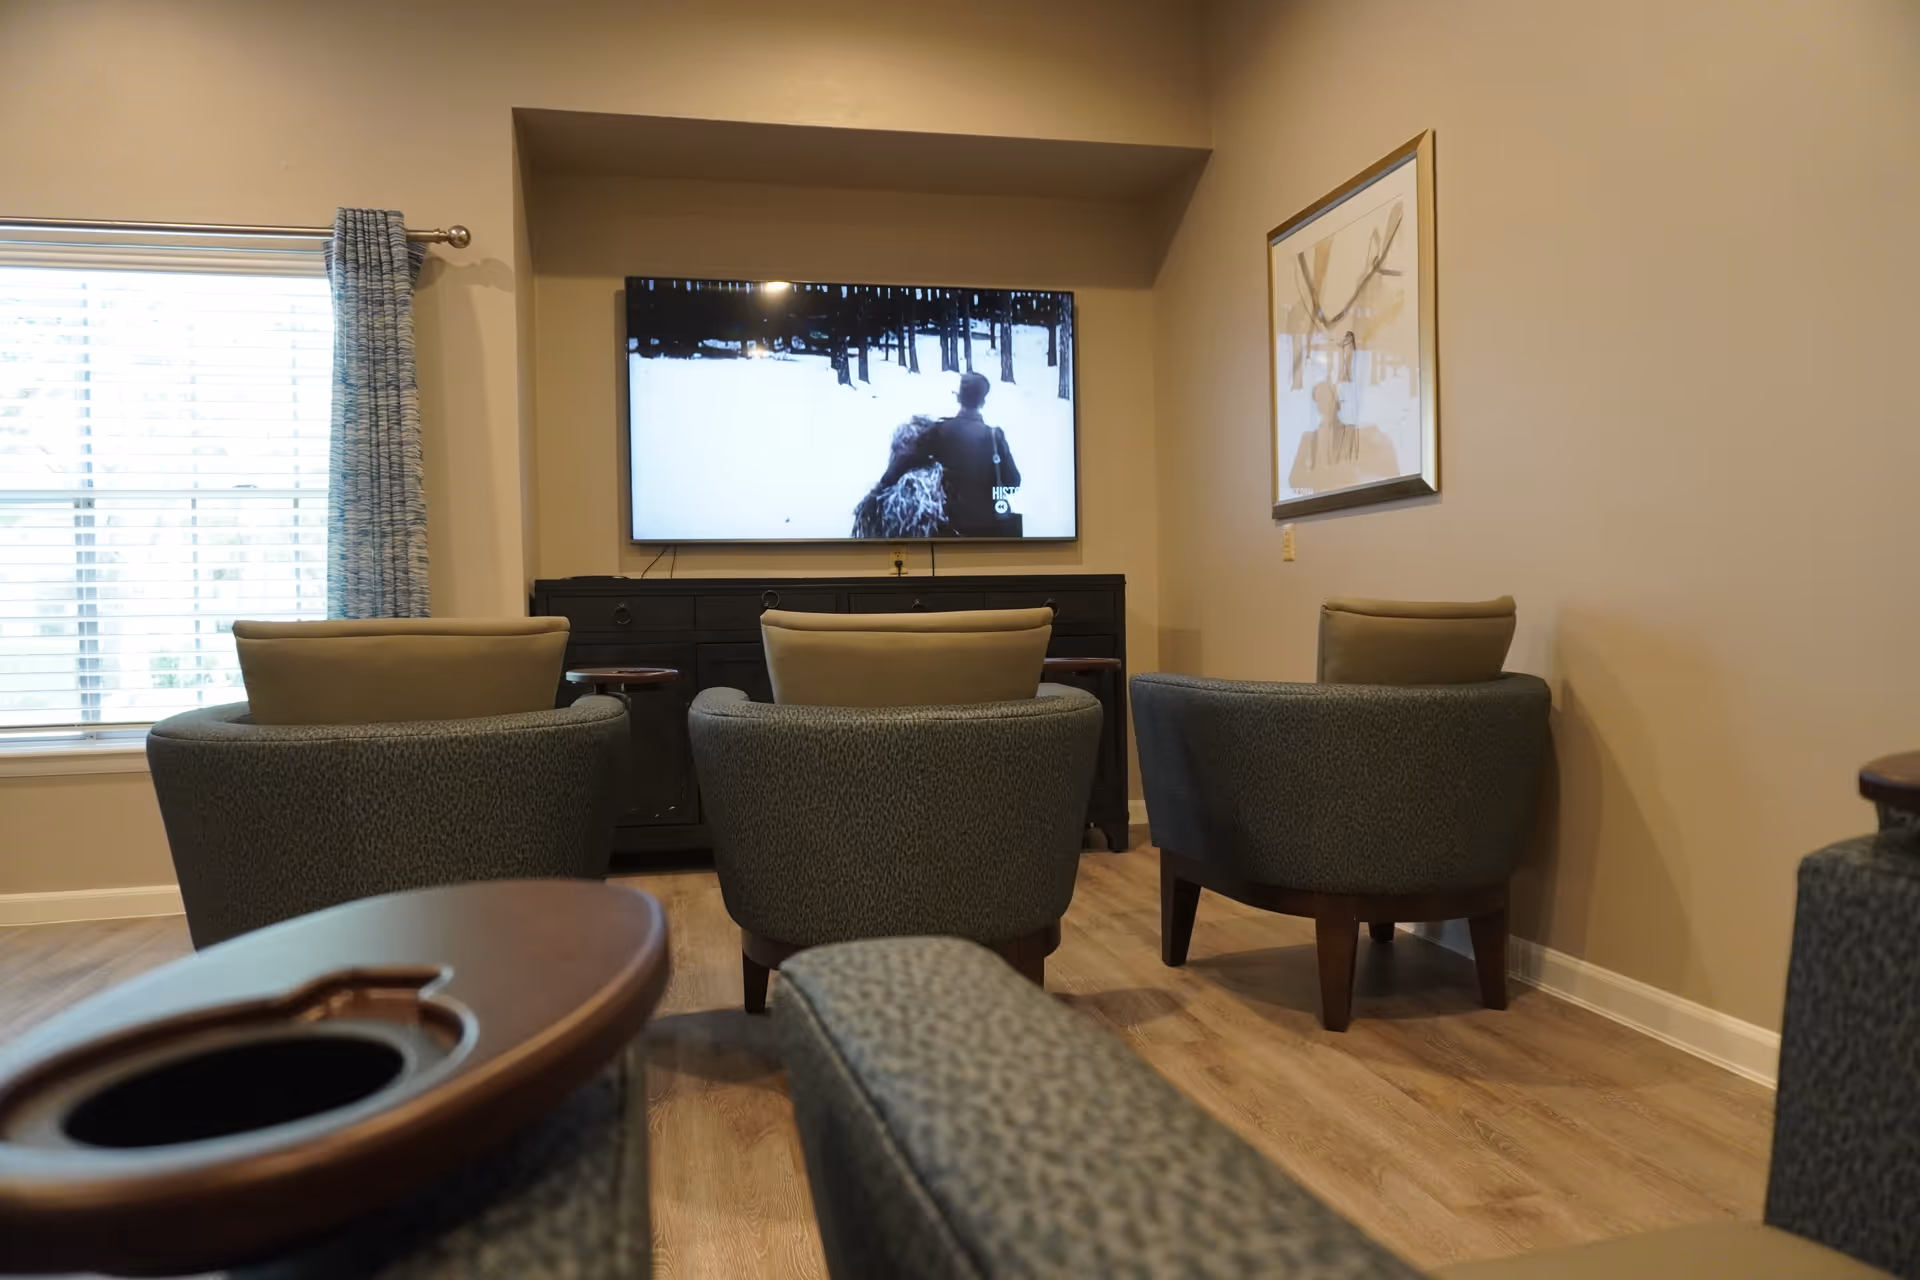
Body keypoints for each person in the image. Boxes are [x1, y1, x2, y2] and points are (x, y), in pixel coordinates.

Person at [870, 371, 1021, 537]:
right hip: (987, 527)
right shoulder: (995, 437)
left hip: (950, 526)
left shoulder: (940, 431)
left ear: (959, 398)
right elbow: (1013, 480)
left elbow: (906, 459)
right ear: (983, 402)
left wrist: (883, 485)